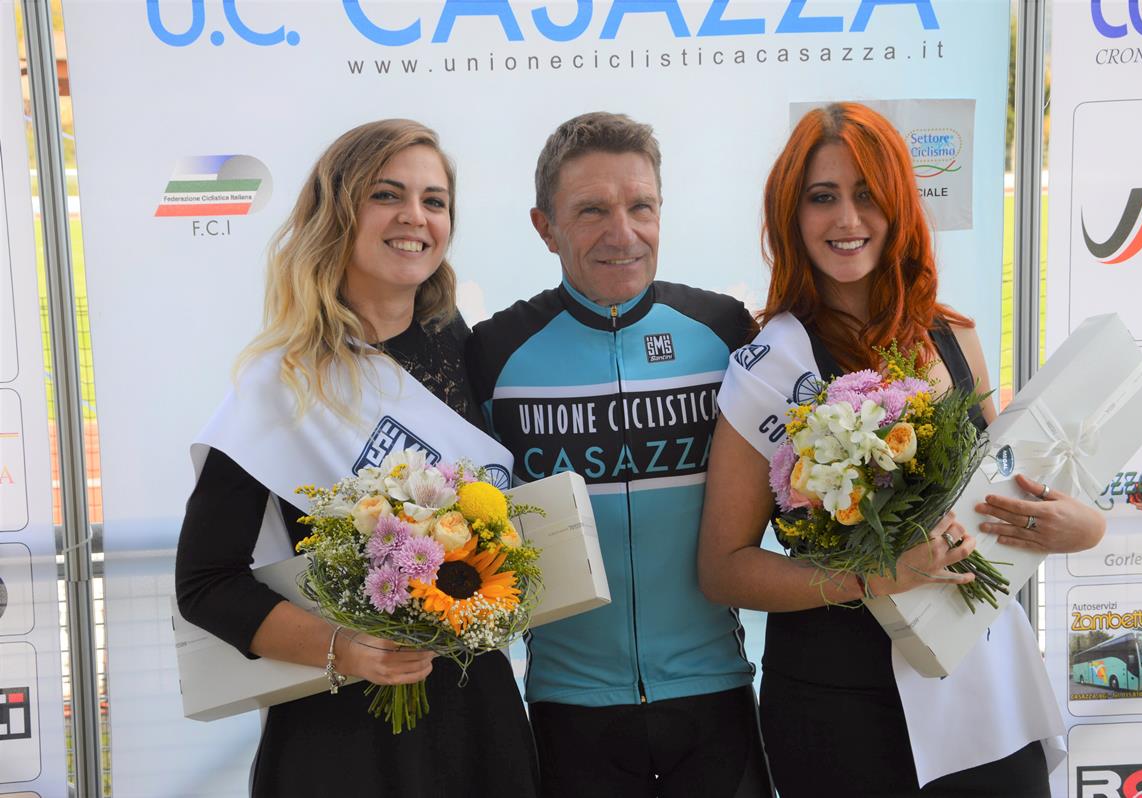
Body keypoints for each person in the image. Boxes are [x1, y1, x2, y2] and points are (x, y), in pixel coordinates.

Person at [697, 102, 1105, 797]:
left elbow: (1000, 497)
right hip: (841, 713)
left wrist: (1082, 527)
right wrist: (872, 577)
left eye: (867, 194)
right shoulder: (768, 367)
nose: (847, 219)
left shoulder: (955, 338)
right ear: (791, 215)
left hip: (984, 692)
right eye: (822, 197)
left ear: (900, 206)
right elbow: (724, 570)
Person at [175, 119, 538, 797]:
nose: (415, 216)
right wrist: (345, 649)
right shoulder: (281, 385)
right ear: (337, 213)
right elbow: (204, 584)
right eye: (386, 194)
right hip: (339, 731)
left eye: (434, 201)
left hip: (476, 716)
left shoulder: (470, 354)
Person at [466, 112, 771, 798]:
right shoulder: (494, 351)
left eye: (641, 207)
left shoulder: (724, 332)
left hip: (717, 695)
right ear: (545, 227)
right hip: (567, 707)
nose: (623, 233)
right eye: (592, 210)